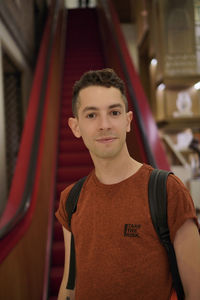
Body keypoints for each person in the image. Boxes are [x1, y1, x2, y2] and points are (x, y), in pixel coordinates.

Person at [55, 68, 200, 300]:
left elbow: (196, 290)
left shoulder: (167, 191)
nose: (104, 124)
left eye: (114, 112)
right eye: (91, 115)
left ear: (128, 121)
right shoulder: (71, 199)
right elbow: (70, 285)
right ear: (75, 127)